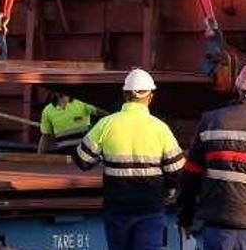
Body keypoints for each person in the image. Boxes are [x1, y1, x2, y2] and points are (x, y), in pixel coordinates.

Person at [177, 60, 246, 250]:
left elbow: (191, 176)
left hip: (219, 231)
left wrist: (186, 218)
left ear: (239, 89)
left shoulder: (210, 121)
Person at [75, 68, 184, 250]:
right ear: (150, 96)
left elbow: (82, 160)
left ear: (125, 94)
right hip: (150, 208)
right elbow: (178, 172)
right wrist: (171, 189)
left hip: (117, 208)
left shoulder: (106, 124)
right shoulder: (160, 128)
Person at [38, 91, 103, 153]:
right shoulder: (47, 110)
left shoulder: (82, 103)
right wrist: (39, 157)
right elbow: (45, 136)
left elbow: (103, 113)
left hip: (85, 153)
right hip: (63, 154)